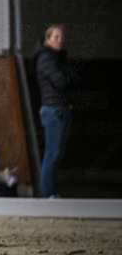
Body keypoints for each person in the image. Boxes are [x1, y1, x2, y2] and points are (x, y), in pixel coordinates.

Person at [34, 25, 77, 198]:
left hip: (62, 108)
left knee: (57, 154)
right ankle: (47, 193)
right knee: (52, 153)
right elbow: (61, 81)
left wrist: (67, 78)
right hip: (53, 111)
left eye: (62, 36)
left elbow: (74, 78)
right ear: (47, 39)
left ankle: (50, 192)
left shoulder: (59, 59)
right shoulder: (46, 58)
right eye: (56, 37)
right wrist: (68, 78)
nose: (60, 40)